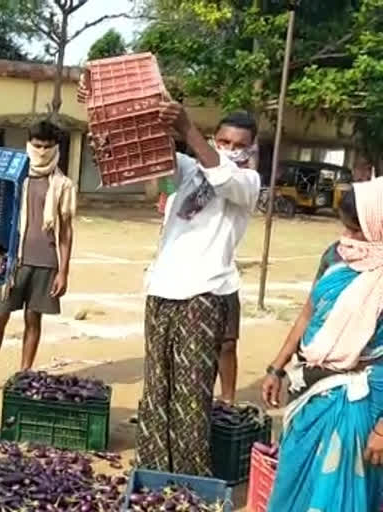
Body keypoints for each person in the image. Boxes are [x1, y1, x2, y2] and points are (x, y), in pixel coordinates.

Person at [136, 103, 260, 476]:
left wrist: (189, 129)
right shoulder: (187, 169)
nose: (229, 148)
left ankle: (191, 478)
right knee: (158, 389)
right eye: (222, 140)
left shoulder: (246, 183)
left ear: (250, 150)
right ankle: (156, 469)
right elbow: (155, 176)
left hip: (203, 293)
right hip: (162, 288)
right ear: (213, 138)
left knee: (192, 395)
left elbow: (220, 173)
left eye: (238, 145)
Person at [262, 180, 383, 511]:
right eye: (346, 228)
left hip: (361, 401)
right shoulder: (336, 255)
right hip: (311, 390)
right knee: (293, 482)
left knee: (339, 492)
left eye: (359, 230)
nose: (350, 239)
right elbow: (308, 312)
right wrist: (277, 366)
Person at [0, 120, 76, 395]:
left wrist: (63, 271)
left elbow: (66, 232)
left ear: (56, 148)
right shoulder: (12, 176)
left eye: (47, 146)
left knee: (33, 320)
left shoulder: (63, 184)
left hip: (45, 261)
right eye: (37, 145)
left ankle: (24, 374)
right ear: (29, 144)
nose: (42, 151)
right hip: (10, 261)